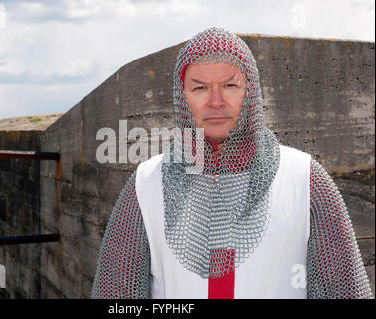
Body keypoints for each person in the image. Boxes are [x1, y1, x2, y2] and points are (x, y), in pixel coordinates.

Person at [91, 27, 373, 299]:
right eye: (200, 88)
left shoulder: (304, 180)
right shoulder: (146, 185)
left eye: (230, 85)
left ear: (249, 92)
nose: (216, 101)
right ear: (182, 97)